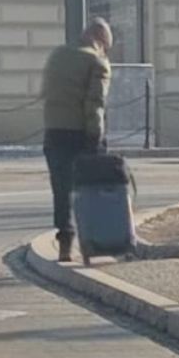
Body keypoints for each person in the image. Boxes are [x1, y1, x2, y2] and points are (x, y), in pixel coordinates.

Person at [41, 18, 113, 263]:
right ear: (101, 41)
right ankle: (91, 244)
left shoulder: (57, 55)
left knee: (60, 190)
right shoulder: (97, 63)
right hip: (81, 135)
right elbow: (95, 104)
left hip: (53, 132)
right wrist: (96, 138)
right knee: (89, 191)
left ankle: (64, 242)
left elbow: (45, 92)